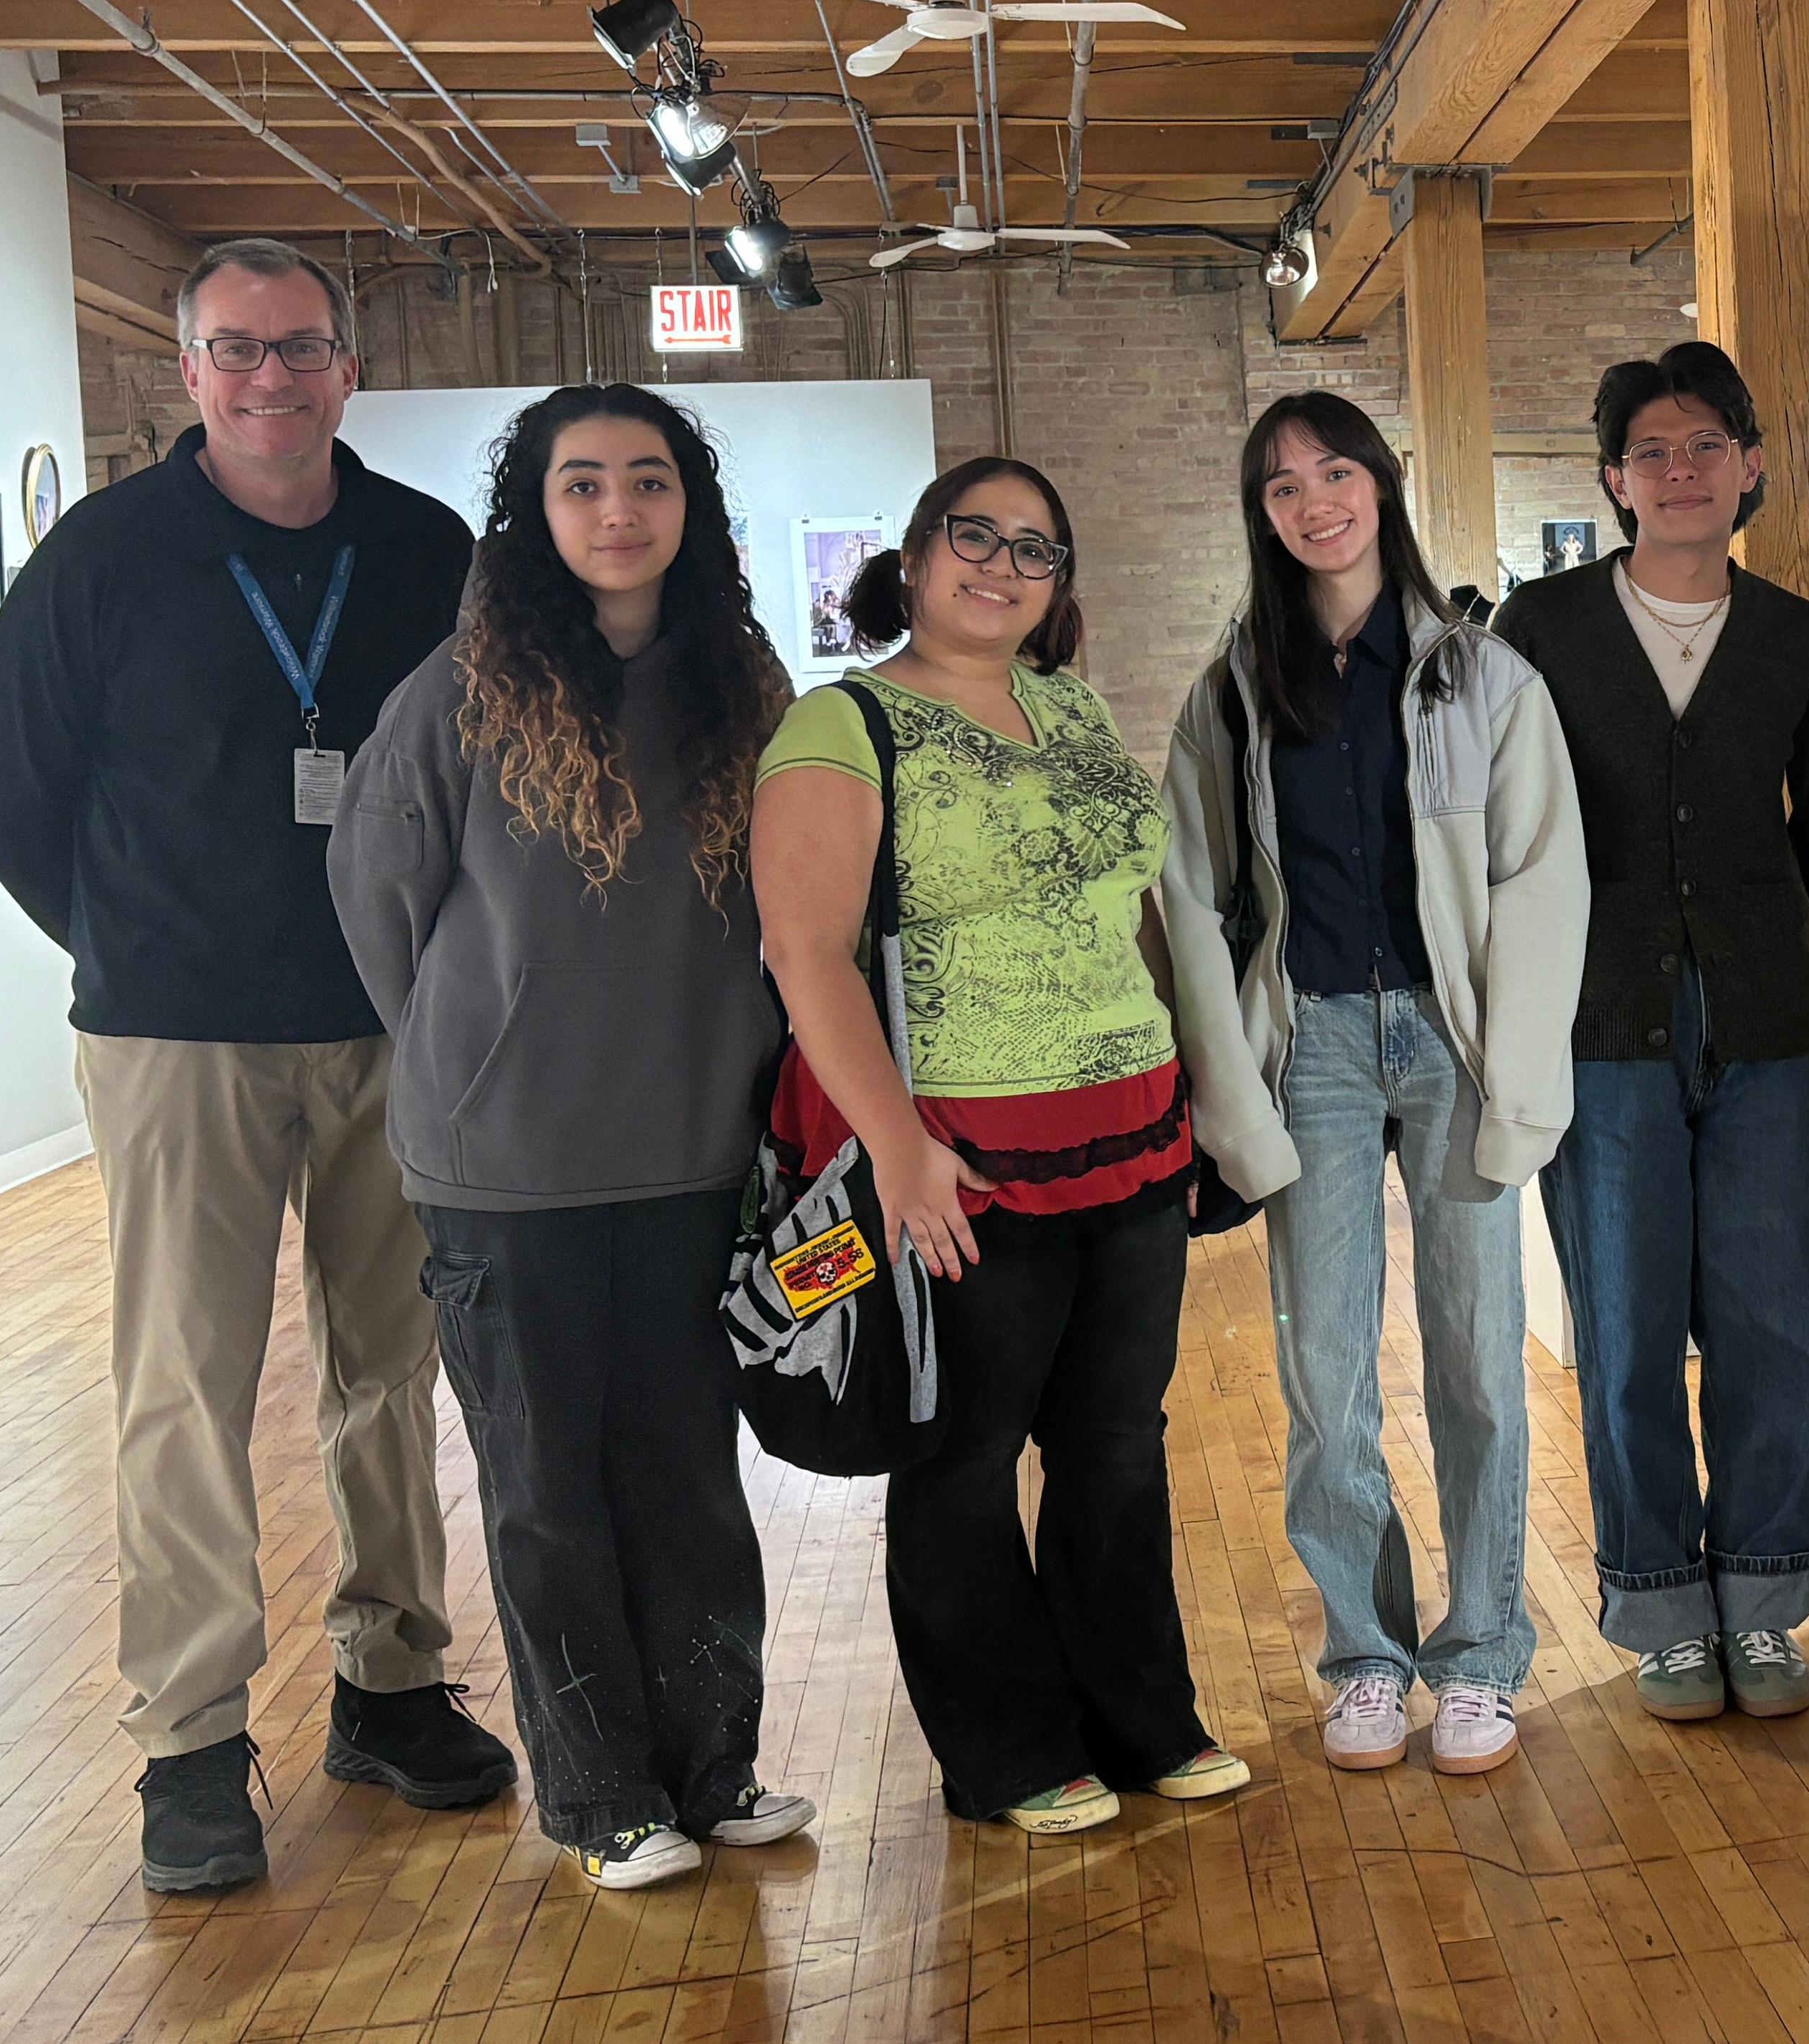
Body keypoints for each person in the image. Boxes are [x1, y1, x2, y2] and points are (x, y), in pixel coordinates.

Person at [0, 236, 512, 1896]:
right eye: (238, 349)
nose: (272, 377)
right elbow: (11, 802)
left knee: (389, 1369)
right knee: (183, 1387)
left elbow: (488, 781)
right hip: (175, 1039)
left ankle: (392, 1680)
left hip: (387, 1030)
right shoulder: (100, 557)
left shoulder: (427, 553)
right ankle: (191, 1735)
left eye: (302, 347)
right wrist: (141, 957)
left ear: (350, 367)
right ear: (189, 370)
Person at [325, 385, 815, 1890]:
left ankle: (713, 1765)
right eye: (583, 482)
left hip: (696, 1147)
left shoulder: (744, 683)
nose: (619, 510)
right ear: (534, 513)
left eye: (649, 480)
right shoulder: (462, 691)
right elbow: (380, 907)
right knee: (546, 1492)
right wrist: (476, 1053)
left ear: (689, 506)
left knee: (689, 1479)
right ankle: (604, 1796)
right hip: (507, 1168)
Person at [750, 457, 1243, 1837]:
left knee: (1116, 1444)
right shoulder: (843, 724)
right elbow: (807, 956)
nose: (1003, 565)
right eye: (975, 536)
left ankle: (1143, 1721)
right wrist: (898, 1150)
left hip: (1133, 1134)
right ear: (914, 556)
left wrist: (1193, 1089)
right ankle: (1009, 1752)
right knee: (962, 1455)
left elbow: (1132, 911)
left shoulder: (1069, 706)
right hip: (965, 1151)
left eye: (1036, 548)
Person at [1158, 393, 1589, 1777]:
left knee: (1478, 1360)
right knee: (1326, 1372)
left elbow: (1543, 883)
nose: (1314, 503)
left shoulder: (1484, 676)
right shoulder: (1235, 689)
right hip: (1317, 1045)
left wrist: (1522, 1077)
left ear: (1381, 484)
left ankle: (1482, 1655)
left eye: (1335, 471)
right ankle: (1363, 1654)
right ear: (1262, 515)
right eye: (1282, 486)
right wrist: (1228, 1085)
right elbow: (1190, 891)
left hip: (1454, 1043)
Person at [1489, 340, 1809, 1724]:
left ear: (1750, 468)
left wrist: (1761, 935)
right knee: (1627, 1319)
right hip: (1601, 1018)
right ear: (1614, 480)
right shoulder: (1541, 627)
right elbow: (1503, 821)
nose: (1681, 470)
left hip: (1759, 1018)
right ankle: (1656, 1603)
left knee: (1774, 1318)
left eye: (1707, 446)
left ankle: (1762, 1593)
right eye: (1653, 451)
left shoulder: (1794, 637)